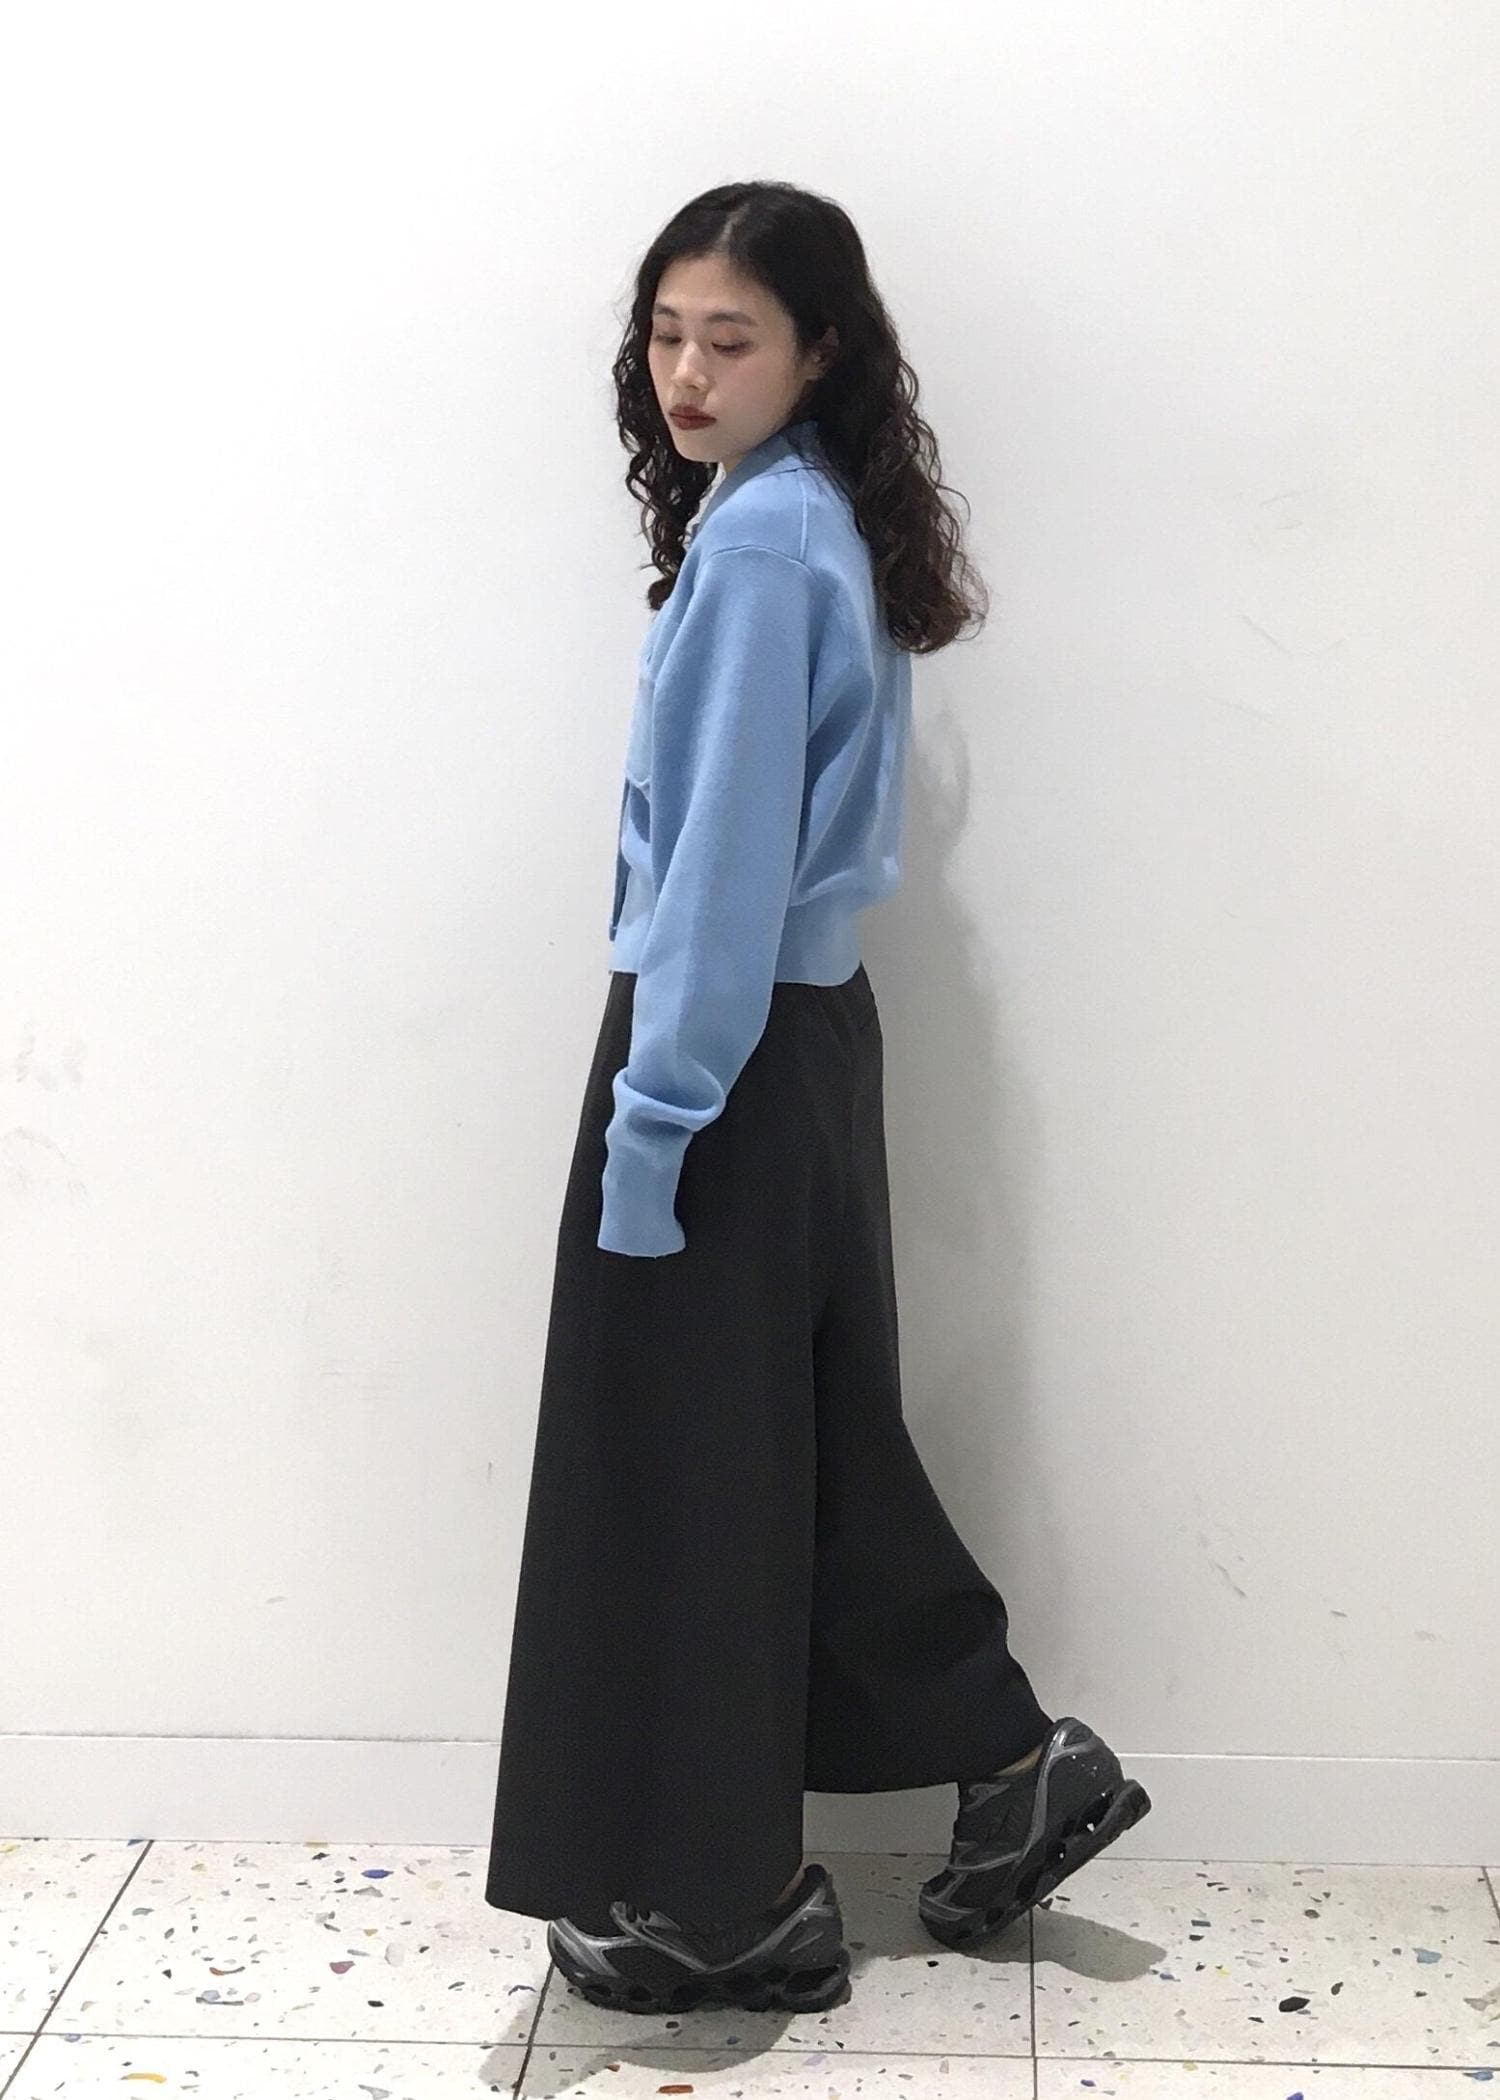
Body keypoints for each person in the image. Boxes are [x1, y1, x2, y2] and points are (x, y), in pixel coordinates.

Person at [483, 179, 1150, 2017]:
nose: (686, 372)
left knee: (684, 1472)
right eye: (666, 333)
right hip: (799, 1050)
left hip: (718, 1058)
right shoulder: (793, 515)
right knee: (800, 1437)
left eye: (733, 338)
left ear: (818, 352)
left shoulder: (766, 547)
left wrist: (653, 1124)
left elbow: (714, 878)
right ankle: (1010, 1766)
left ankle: (723, 1908)